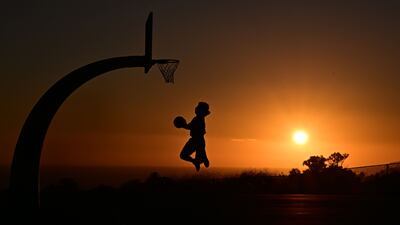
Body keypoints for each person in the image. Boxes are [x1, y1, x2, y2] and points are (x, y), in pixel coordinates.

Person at [178, 102, 210, 171]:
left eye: (198, 107)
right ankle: (198, 160)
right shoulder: (197, 118)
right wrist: (184, 125)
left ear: (201, 110)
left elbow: (189, 126)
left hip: (197, 140)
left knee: (183, 155)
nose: (196, 109)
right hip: (197, 140)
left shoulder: (198, 119)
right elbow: (189, 126)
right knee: (184, 155)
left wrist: (183, 125)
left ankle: (200, 159)